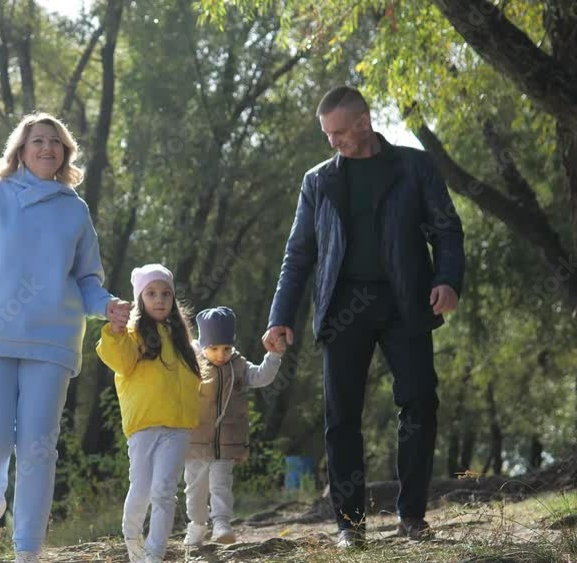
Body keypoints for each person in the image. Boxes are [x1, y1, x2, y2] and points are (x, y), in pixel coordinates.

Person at [0, 112, 131, 563]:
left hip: (52, 341)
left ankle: (27, 551)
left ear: (65, 153)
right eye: (38, 141)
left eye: (55, 142)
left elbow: (87, 280)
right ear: (21, 150)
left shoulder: (74, 210)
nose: (47, 147)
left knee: (38, 447)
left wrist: (107, 305)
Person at [263, 86, 465, 548]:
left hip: (406, 303)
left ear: (364, 122)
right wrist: (280, 316)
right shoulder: (318, 181)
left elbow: (447, 231)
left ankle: (412, 516)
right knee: (341, 416)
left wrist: (448, 280)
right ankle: (349, 527)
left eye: (339, 132)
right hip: (342, 308)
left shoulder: (414, 166)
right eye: (327, 134)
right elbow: (299, 254)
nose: (333, 141)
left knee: (419, 402)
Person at [96, 264, 201, 563]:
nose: (160, 300)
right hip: (144, 426)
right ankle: (133, 538)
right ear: (140, 298)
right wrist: (115, 332)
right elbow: (118, 360)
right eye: (151, 293)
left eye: (166, 294)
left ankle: (154, 556)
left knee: (164, 492)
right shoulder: (131, 335)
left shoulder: (182, 339)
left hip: (178, 428)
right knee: (141, 489)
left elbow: (193, 381)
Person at [183, 306, 283, 546]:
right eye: (214, 349)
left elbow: (261, 376)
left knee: (221, 485)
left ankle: (221, 524)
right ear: (203, 345)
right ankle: (197, 525)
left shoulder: (238, 365)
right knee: (194, 490)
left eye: (226, 348)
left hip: (227, 442)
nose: (221, 355)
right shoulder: (191, 365)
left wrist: (273, 357)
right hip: (195, 442)